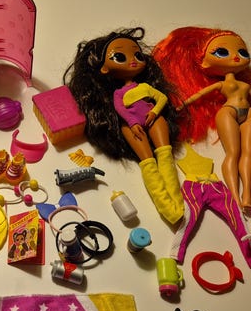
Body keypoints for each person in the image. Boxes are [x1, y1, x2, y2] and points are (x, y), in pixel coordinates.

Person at [64, 27, 183, 224]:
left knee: (165, 153)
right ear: (104, 68)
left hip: (154, 118)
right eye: (119, 57)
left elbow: (161, 98)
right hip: (130, 124)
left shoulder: (145, 87)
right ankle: (168, 207)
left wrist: (154, 112)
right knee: (147, 159)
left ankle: (176, 202)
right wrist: (133, 122)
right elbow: (121, 110)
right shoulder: (118, 94)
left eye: (137, 55)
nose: (133, 60)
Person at [154, 27, 251, 212]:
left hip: (248, 114)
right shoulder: (221, 84)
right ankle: (235, 197)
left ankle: (247, 195)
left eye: (243, 53)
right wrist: (182, 105)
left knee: (248, 153)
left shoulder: (244, 84)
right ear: (204, 62)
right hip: (229, 111)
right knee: (234, 153)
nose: (236, 57)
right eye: (222, 52)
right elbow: (199, 95)